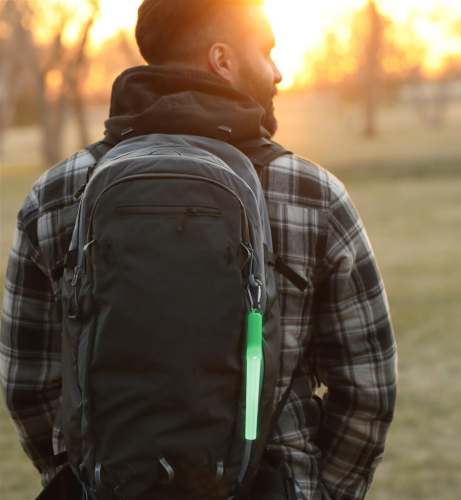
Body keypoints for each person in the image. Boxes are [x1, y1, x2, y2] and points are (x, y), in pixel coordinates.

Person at [0, 1, 397, 499]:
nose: (278, 72)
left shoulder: (55, 194)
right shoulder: (313, 194)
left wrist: (84, 478)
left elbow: (28, 384)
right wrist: (318, 492)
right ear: (222, 59)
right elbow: (367, 389)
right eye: (266, 51)